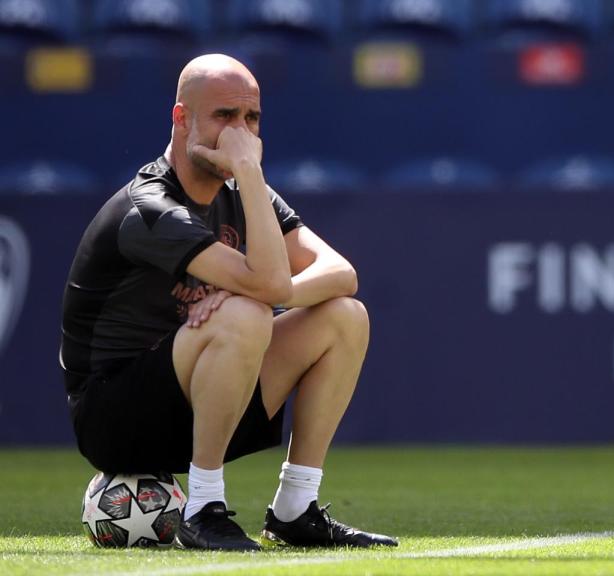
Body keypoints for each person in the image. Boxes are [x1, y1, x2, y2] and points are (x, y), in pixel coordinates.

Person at [60, 54, 398, 551]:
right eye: (224, 116)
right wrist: (256, 296)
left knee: (344, 317)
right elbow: (264, 283)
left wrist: (267, 297)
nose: (241, 133)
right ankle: (202, 509)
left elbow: (340, 273)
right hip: (115, 419)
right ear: (182, 119)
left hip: (208, 398)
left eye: (252, 118)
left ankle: (294, 509)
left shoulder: (247, 190)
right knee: (245, 310)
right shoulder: (150, 207)